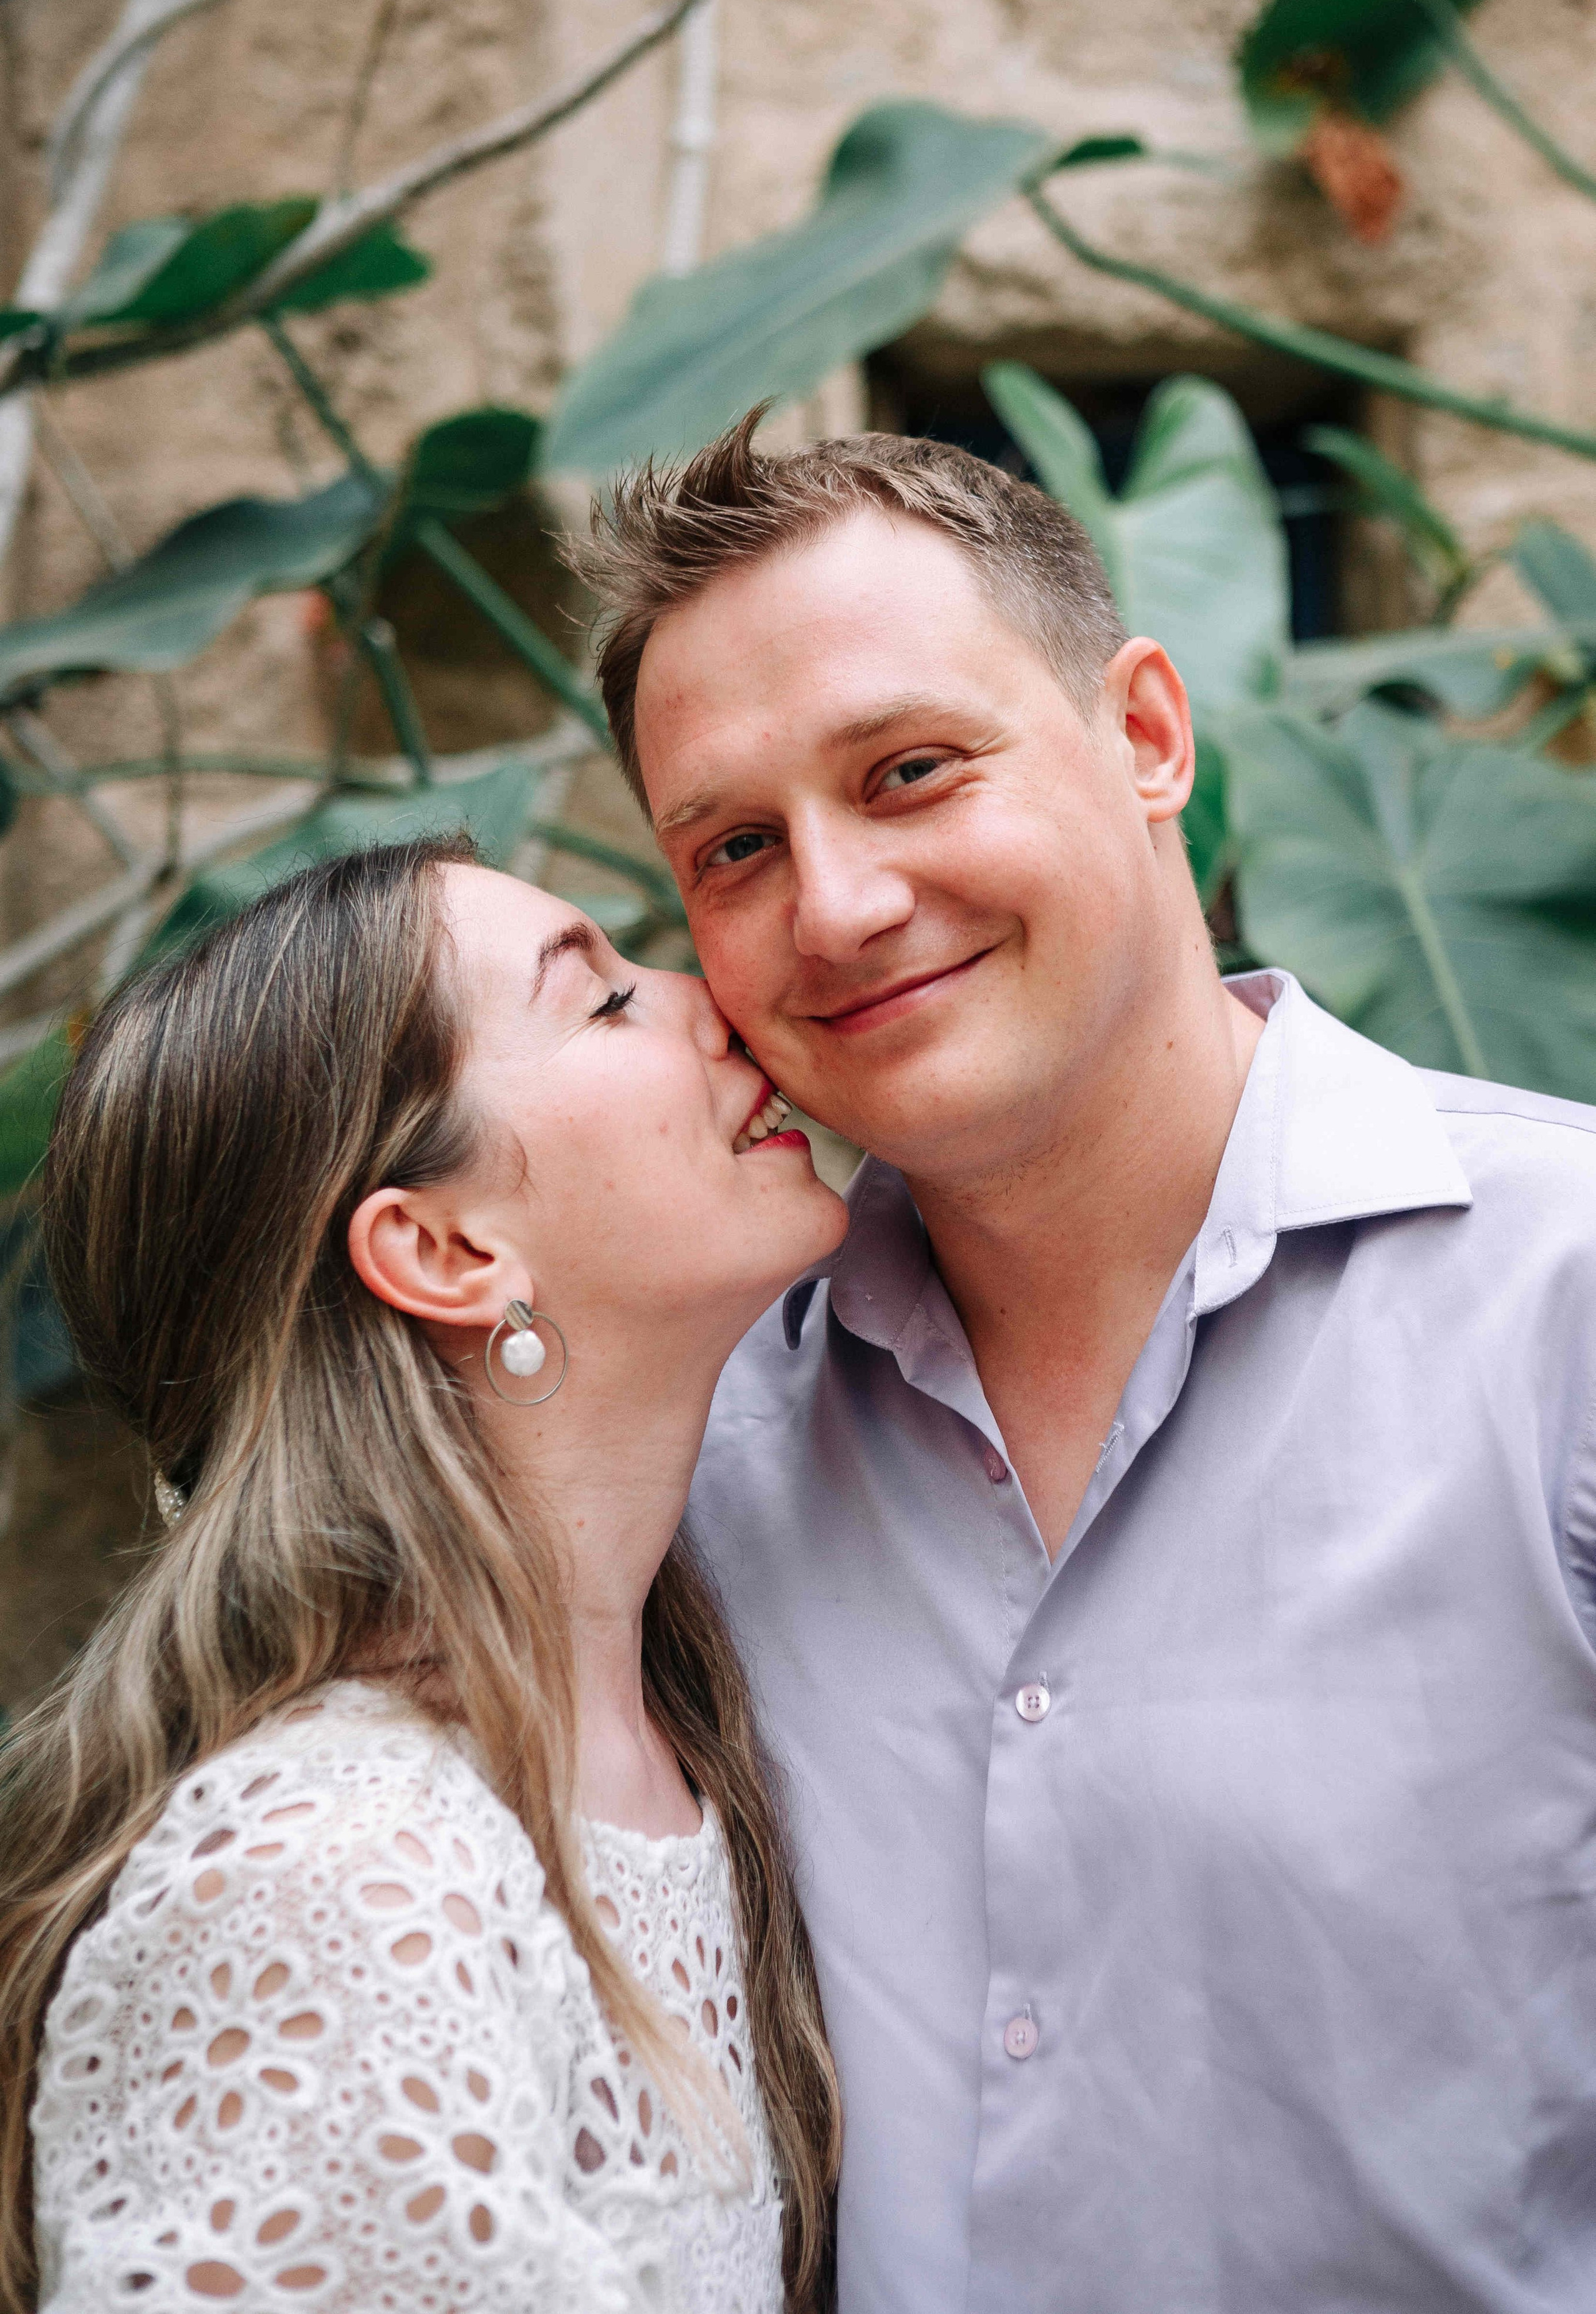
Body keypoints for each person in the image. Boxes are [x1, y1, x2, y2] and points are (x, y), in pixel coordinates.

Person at [570, 413, 1596, 2314]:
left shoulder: (1565, 1306)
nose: (838, 907)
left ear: (1146, 737)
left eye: (910, 772)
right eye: (736, 848)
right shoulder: (693, 1462)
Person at [0, 837, 844, 2314]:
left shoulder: (683, 1729)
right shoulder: (330, 1885)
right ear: (445, 1249)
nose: (710, 996)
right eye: (603, 1000)